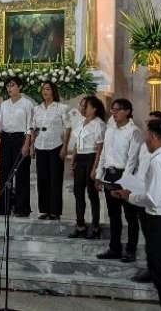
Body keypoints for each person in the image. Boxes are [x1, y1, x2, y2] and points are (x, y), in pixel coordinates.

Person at [113, 118, 161, 311]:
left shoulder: (159, 161)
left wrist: (130, 196)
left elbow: (153, 198)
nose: (145, 140)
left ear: (154, 137)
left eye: (147, 135)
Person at [95, 99, 143, 262]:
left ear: (128, 111)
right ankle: (114, 247)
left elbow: (132, 159)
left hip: (125, 176)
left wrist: (125, 183)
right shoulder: (110, 130)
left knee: (130, 215)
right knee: (113, 214)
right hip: (109, 174)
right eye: (112, 110)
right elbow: (104, 153)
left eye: (117, 110)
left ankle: (130, 250)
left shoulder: (134, 131)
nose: (113, 113)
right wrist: (99, 175)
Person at [129, 110, 161, 284]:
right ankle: (151, 267)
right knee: (147, 234)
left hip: (154, 197)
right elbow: (138, 165)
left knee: (156, 237)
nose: (148, 126)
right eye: (148, 122)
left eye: (152, 123)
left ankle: (157, 270)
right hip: (140, 192)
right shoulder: (145, 144)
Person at [0, 76, 34, 217]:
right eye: (8, 86)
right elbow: (0, 125)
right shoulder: (4, 104)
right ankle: (4, 206)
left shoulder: (27, 104)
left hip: (20, 139)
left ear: (20, 87)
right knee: (4, 173)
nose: (9, 88)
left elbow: (30, 126)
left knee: (21, 174)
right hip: (6, 139)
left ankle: (21, 208)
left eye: (12, 85)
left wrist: (26, 145)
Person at [32, 82, 71, 221]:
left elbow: (68, 127)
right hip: (40, 145)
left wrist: (65, 146)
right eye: (43, 89)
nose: (45, 91)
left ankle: (55, 211)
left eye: (48, 89)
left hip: (56, 145)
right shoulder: (37, 108)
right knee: (42, 179)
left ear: (53, 91)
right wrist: (32, 145)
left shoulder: (62, 108)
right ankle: (44, 210)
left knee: (55, 179)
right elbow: (34, 128)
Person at [68, 96, 106, 239]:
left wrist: (95, 168)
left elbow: (100, 148)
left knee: (92, 193)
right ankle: (80, 225)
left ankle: (95, 226)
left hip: (91, 158)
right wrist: (72, 162)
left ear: (94, 109)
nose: (82, 108)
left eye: (86, 106)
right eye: (82, 105)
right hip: (80, 158)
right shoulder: (80, 122)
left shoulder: (99, 124)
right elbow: (77, 144)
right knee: (78, 193)